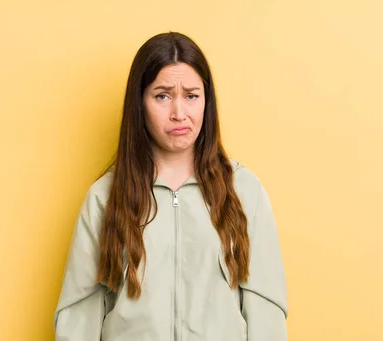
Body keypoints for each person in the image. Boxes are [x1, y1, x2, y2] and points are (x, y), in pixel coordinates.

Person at [53, 31, 288, 341]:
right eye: (162, 95)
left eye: (191, 96)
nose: (179, 113)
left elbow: (266, 311)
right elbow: (78, 317)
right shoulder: (105, 197)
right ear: (140, 102)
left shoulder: (244, 192)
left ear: (207, 101)